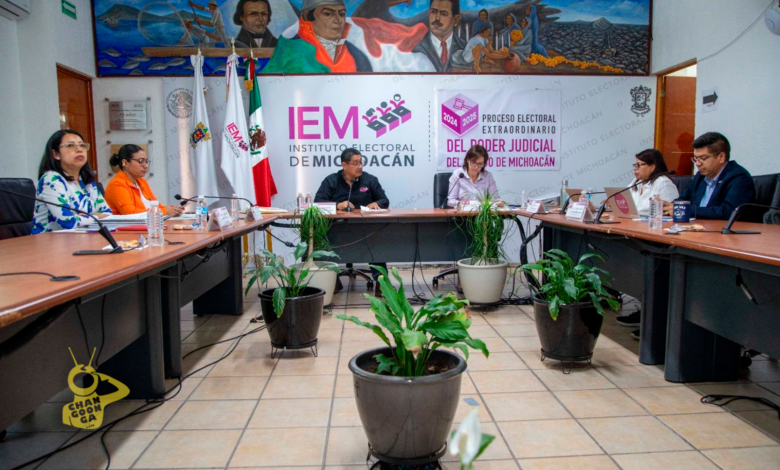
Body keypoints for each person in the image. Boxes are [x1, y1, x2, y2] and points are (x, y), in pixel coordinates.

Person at [314, 148, 389, 295]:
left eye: (361, 162)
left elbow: (384, 200)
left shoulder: (370, 180)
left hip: (366, 229)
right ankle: (332, 279)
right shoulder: (331, 181)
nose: (359, 166)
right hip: (336, 229)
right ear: (344, 165)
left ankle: (381, 282)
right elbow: (318, 203)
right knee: (321, 240)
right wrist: (338, 205)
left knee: (377, 242)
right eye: (355, 163)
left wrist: (377, 203)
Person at [31, 130, 112, 234]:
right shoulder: (52, 179)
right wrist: (95, 216)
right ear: (56, 154)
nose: (79, 150)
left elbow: (107, 214)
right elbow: (68, 222)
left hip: (82, 237)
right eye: (70, 145)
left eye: (82, 145)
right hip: (49, 241)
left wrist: (84, 218)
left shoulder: (86, 180)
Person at [663, 132, 755, 219]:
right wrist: (667, 207)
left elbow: (728, 212)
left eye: (703, 158)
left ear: (721, 157)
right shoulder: (700, 176)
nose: (698, 163)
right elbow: (684, 199)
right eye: (696, 158)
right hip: (697, 227)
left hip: (726, 229)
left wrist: (685, 210)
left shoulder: (739, 177)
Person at [263, 0, 372, 73]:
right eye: (328, 14)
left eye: (341, 14)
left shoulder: (356, 55)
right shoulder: (290, 50)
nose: (338, 20)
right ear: (307, 16)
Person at [104, 145, 184, 217]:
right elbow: (130, 214)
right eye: (141, 161)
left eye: (146, 161)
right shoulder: (117, 184)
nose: (145, 166)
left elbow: (156, 206)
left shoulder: (141, 181)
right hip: (127, 228)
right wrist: (163, 211)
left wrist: (173, 210)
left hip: (147, 225)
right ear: (125, 163)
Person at [411, 0, 468, 72]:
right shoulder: (416, 49)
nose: (437, 18)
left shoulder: (465, 48)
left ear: (456, 20)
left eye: (444, 14)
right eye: (433, 12)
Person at [628, 149, 679, 213]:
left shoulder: (663, 183)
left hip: (655, 219)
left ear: (652, 167)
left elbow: (670, 211)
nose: (635, 168)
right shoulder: (636, 182)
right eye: (635, 165)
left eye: (638, 165)